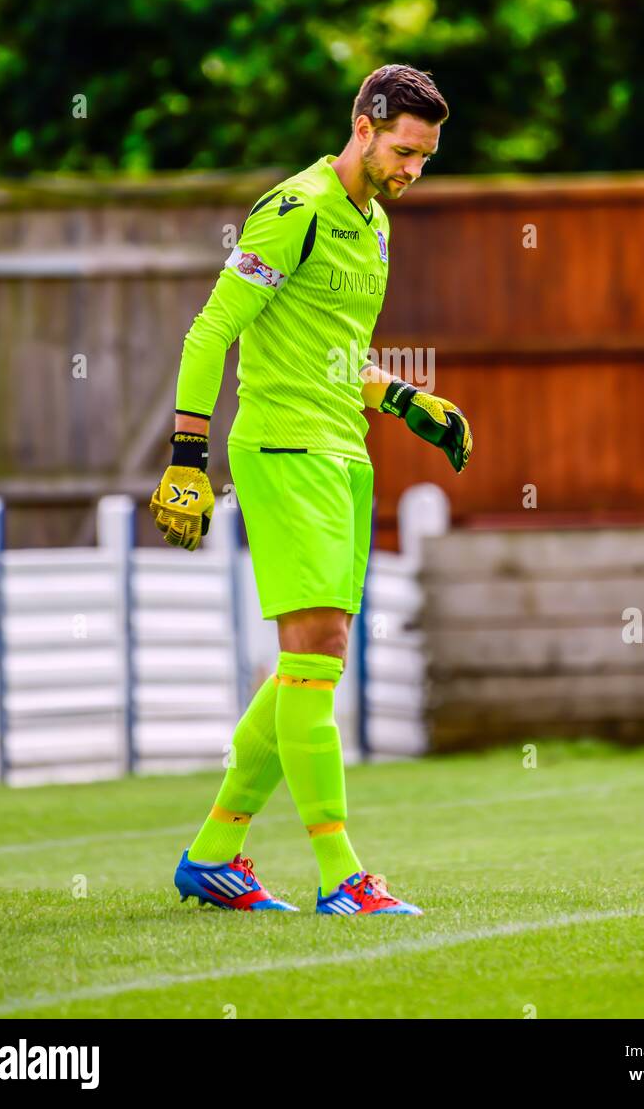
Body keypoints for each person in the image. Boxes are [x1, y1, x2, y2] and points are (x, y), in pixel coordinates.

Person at [151, 63, 472, 915]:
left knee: (305, 661)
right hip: (284, 448)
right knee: (320, 649)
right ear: (363, 124)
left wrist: (403, 399)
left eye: (426, 160)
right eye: (404, 151)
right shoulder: (292, 210)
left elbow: (336, 354)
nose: (411, 171)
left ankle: (215, 854)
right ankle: (342, 875)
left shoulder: (375, 226)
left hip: (346, 454)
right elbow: (210, 330)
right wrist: (189, 455)